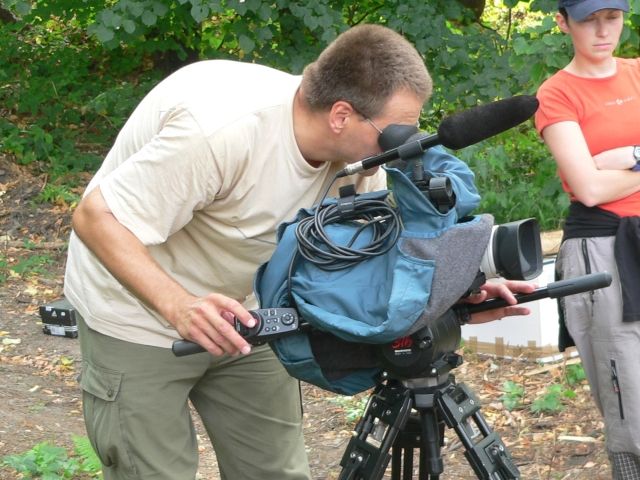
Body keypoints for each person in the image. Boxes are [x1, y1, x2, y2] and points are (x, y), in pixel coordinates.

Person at [66, 23, 535, 480]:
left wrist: (453, 285)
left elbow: (365, 252)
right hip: (139, 315)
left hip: (252, 312)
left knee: (274, 470)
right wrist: (178, 305)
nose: (405, 147)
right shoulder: (220, 132)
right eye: (397, 133)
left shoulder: (357, 158)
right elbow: (95, 217)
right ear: (341, 115)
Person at [535, 1, 640, 478]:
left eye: (612, 17)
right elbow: (591, 189)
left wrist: (627, 155)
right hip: (602, 252)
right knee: (630, 403)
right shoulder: (556, 94)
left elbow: (598, 176)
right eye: (588, 19)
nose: (602, 30)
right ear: (563, 22)